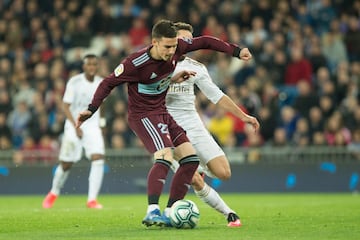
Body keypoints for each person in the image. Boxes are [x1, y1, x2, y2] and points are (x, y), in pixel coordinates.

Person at [76, 19, 252, 227]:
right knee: (165, 156)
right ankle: (152, 211)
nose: (172, 51)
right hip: (143, 115)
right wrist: (91, 108)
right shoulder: (134, 63)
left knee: (191, 160)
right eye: (167, 46)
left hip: (162, 112)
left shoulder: (178, 48)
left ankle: (169, 211)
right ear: (154, 42)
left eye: (174, 46)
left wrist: (236, 51)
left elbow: (206, 42)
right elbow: (107, 83)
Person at [167, 22, 260, 227]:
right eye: (182, 39)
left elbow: (216, 95)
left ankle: (196, 166)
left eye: (189, 40)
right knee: (196, 180)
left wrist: (243, 116)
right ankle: (230, 213)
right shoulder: (158, 65)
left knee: (224, 173)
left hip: (193, 124)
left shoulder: (196, 67)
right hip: (168, 128)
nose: (186, 43)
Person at [42, 54, 106, 209]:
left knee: (98, 158)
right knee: (66, 163)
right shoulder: (74, 82)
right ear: (84, 67)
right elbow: (65, 106)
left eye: (94, 64)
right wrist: (76, 126)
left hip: (92, 125)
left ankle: (92, 199)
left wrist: (102, 124)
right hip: (74, 123)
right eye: (88, 64)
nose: (91, 67)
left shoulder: (101, 83)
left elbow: (101, 105)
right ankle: (54, 192)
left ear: (97, 66)